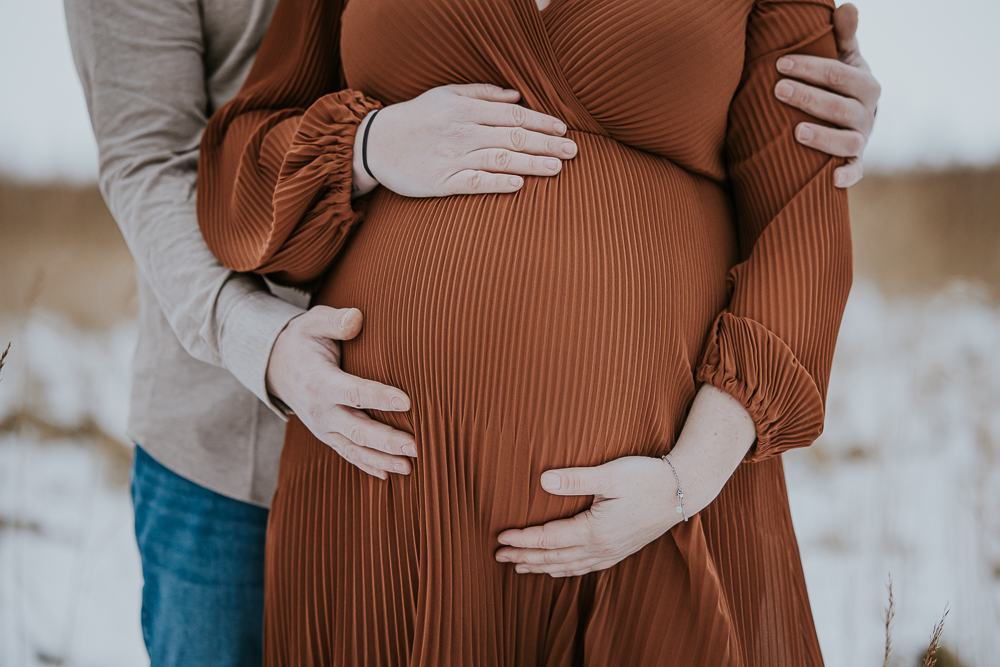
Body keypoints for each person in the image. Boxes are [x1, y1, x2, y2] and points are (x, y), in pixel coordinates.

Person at [64, 0, 879, 663]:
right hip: (331, 481)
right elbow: (182, 161)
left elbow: (802, 224)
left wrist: (685, 479)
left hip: (656, 508)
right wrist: (368, 145)